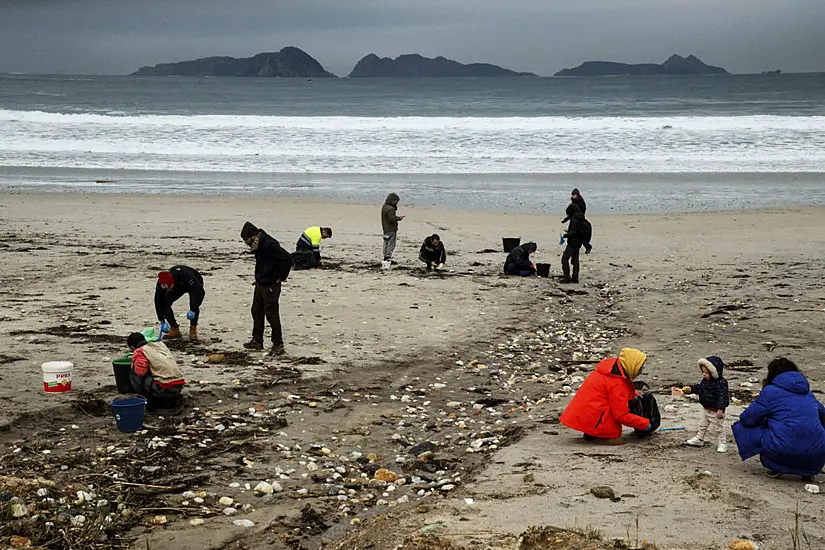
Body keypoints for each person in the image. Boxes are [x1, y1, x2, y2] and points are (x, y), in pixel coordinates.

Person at [732, 358, 825, 480]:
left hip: (783, 451)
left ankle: (777, 466)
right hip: (816, 454)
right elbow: (823, 415)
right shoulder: (808, 393)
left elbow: (748, 418)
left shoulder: (771, 391)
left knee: (743, 426)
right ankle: (807, 470)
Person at [560, 348, 656, 444]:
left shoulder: (611, 371)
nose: (641, 371)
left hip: (584, 415)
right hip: (595, 415)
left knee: (603, 403)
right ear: (632, 365)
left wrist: (634, 395)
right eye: (640, 367)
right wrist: (645, 424)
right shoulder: (617, 382)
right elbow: (621, 415)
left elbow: (621, 392)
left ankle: (591, 432)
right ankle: (603, 435)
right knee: (615, 431)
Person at [240, 221, 293, 356]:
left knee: (271, 314)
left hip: (271, 284)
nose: (246, 243)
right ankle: (257, 341)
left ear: (254, 236)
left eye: (246, 240)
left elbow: (287, 258)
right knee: (256, 310)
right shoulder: (258, 245)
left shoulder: (270, 245)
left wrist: (281, 277)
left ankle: (278, 344)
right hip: (260, 282)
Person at [127, 332, 185, 412]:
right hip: (179, 385)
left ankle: (149, 403)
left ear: (132, 347)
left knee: (134, 373)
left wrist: (134, 363)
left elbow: (140, 372)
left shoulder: (139, 351)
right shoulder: (160, 345)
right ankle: (168, 400)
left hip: (165, 389)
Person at [684, 356, 730, 453]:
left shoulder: (721, 383)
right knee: (703, 425)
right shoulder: (705, 381)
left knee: (719, 428)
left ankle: (723, 443)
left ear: (714, 372)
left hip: (716, 411)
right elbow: (700, 388)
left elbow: (723, 397)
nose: (704, 375)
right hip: (706, 408)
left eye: (706, 373)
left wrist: (720, 409)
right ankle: (699, 439)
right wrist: (691, 389)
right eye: (703, 372)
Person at [154, 266, 205, 341]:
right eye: (166, 289)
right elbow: (158, 301)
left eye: (169, 287)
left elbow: (199, 293)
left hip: (193, 283)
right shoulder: (161, 284)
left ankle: (193, 328)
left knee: (194, 301)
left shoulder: (187, 276)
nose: (168, 290)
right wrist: (162, 320)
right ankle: (174, 328)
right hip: (176, 287)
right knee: (165, 303)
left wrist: (193, 309)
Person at [560, 204, 590, 283]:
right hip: (579, 242)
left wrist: (565, 235)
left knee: (564, 259)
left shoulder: (574, 220)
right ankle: (575, 277)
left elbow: (573, 233)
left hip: (573, 243)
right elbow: (578, 231)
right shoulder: (581, 218)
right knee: (575, 260)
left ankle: (566, 277)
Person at [562, 188, 592, 254]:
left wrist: (578, 217)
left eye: (574, 194)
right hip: (573, 219)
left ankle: (588, 247)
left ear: (577, 195)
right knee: (571, 236)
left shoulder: (581, 202)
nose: (573, 196)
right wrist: (565, 220)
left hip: (580, 219)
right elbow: (571, 213)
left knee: (582, 236)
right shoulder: (573, 202)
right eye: (572, 194)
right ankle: (569, 249)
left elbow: (581, 212)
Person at [381, 193, 404, 269]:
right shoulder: (391, 209)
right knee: (391, 244)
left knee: (386, 243)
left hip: (385, 228)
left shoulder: (384, 206)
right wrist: (399, 218)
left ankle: (385, 257)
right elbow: (391, 219)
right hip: (391, 229)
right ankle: (388, 258)